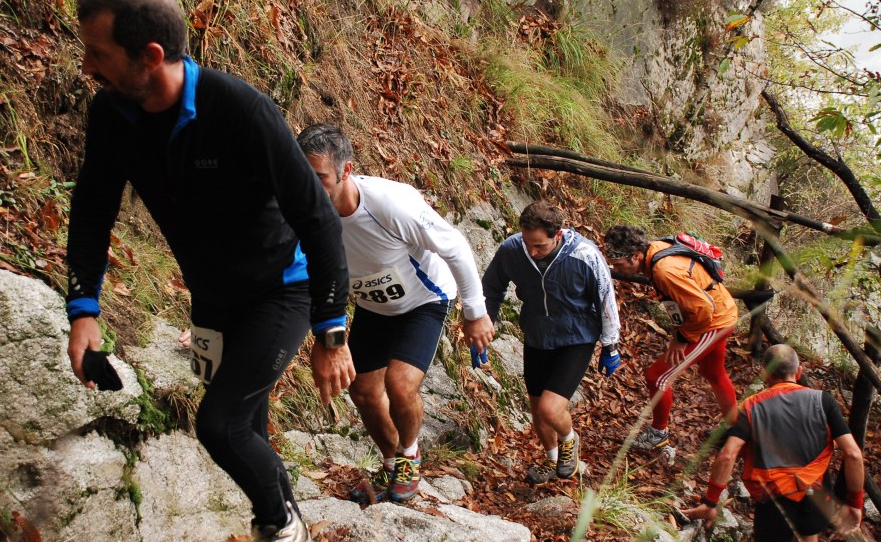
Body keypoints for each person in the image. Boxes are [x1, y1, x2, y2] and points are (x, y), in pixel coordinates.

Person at [63, 0, 355, 542]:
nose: (87, 67)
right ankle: (282, 538)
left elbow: (317, 217)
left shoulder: (240, 109)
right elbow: (91, 208)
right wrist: (83, 308)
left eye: (98, 54)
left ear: (150, 57)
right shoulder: (112, 111)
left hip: (283, 290)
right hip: (214, 298)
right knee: (250, 423)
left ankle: (282, 527)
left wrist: (332, 328)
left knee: (220, 425)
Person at [297, 123, 494, 503]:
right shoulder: (300, 207)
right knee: (364, 392)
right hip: (373, 305)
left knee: (400, 385)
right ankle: (391, 466)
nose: (310, 186)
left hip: (424, 299)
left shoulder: (389, 203)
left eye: (319, 177)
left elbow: (453, 245)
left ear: (346, 170)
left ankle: (409, 455)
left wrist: (475, 311)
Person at [683, 345, 864, 542]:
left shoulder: (752, 406)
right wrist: (856, 504)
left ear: (765, 374)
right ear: (799, 371)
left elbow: (728, 455)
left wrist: (711, 502)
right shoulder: (823, 401)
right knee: (807, 536)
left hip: (774, 500)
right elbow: (853, 454)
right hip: (817, 495)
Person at [482, 201, 621, 484]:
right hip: (537, 335)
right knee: (537, 410)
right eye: (527, 243)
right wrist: (484, 324)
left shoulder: (584, 255)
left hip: (575, 338)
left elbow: (606, 298)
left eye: (540, 246)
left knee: (550, 408)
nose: (532, 251)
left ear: (558, 235)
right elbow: (492, 288)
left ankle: (570, 440)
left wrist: (610, 345)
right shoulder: (512, 250)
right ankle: (552, 459)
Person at [603, 225, 738, 451]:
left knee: (657, 377)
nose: (617, 269)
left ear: (635, 256)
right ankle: (736, 427)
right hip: (722, 311)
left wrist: (682, 337)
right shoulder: (654, 250)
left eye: (619, 265)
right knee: (713, 372)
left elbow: (703, 310)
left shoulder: (664, 271)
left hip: (713, 322)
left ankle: (659, 433)